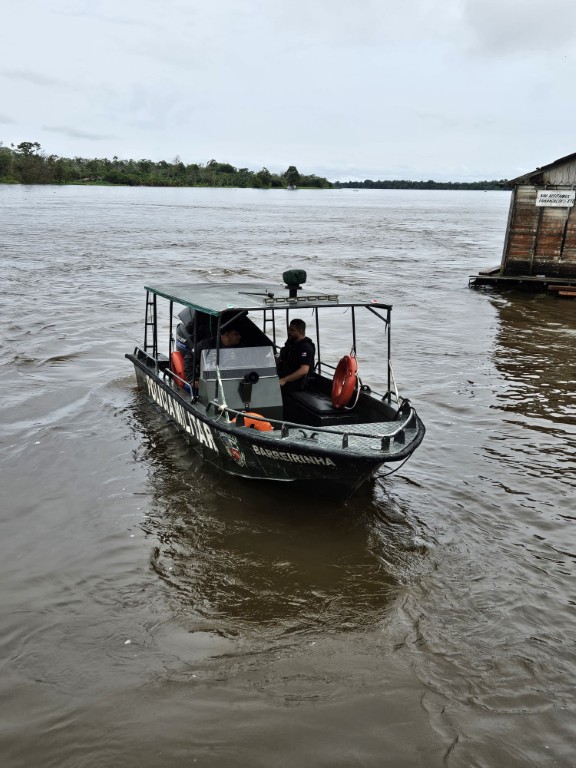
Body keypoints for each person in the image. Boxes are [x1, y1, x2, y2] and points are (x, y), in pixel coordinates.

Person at [277, 318, 315, 391]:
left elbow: (304, 370)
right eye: (289, 329)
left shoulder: (306, 347)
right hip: (284, 375)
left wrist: (284, 380)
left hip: (296, 383)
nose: (289, 332)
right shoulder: (291, 342)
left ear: (301, 331)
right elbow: (282, 356)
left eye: (292, 330)